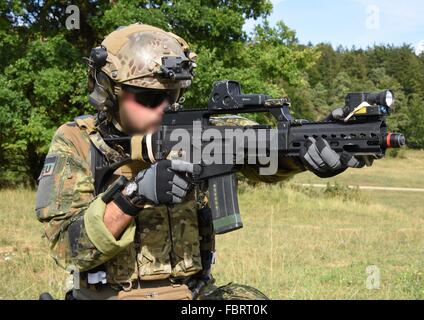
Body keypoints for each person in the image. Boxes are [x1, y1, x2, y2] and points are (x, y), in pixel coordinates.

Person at [35, 23, 372, 300]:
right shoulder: (78, 142)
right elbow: (67, 248)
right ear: (110, 91)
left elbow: (264, 146)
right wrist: (134, 195)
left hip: (194, 298)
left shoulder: (200, 132)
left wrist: (313, 146)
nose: (164, 108)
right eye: (150, 97)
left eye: (173, 95)